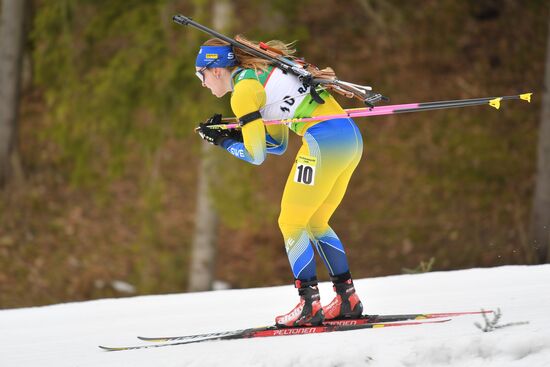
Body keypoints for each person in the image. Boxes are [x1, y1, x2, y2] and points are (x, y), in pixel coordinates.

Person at [194, 37, 364, 328]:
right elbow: (277, 144)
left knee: (291, 222)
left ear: (217, 70)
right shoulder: (261, 75)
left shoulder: (244, 92)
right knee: (316, 222)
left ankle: (309, 305)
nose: (203, 83)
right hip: (349, 138)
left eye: (202, 74)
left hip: (323, 142)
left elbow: (257, 155)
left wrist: (223, 141)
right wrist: (237, 133)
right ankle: (347, 298)